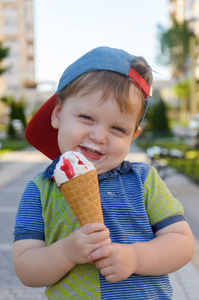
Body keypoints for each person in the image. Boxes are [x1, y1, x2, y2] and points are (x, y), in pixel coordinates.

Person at [13, 46, 194, 299]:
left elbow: (182, 243)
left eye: (118, 129)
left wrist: (136, 258)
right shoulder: (40, 190)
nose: (99, 136)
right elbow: (25, 267)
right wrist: (66, 252)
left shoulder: (144, 181)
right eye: (86, 117)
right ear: (57, 113)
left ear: (134, 135)